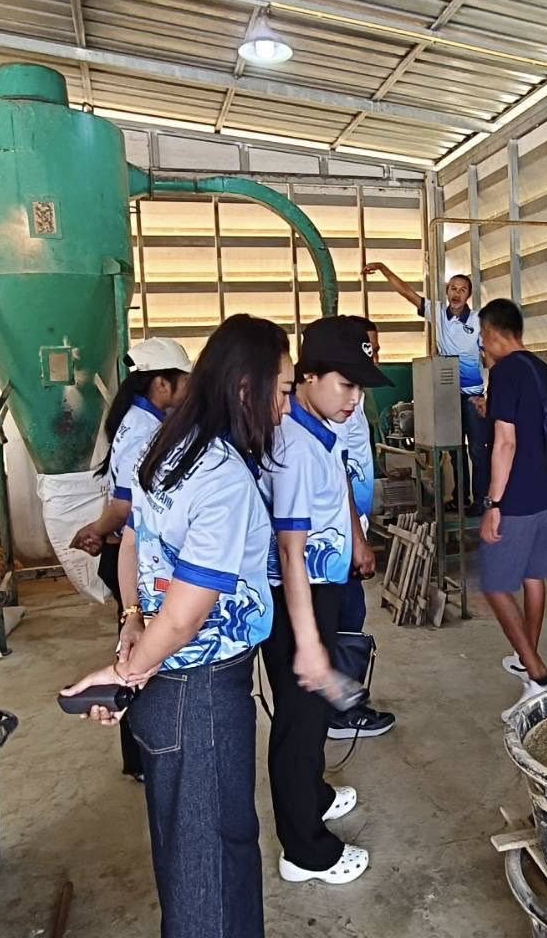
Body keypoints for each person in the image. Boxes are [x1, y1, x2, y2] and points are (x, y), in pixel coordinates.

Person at [61, 315, 310, 938]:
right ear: (247, 389)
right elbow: (187, 612)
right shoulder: (221, 475)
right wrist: (126, 670)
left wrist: (131, 625)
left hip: (167, 683)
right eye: (283, 391)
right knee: (212, 859)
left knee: (189, 850)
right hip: (200, 691)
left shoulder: (171, 445)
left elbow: (131, 542)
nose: (286, 408)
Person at [262, 315, 389, 886]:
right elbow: (290, 551)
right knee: (299, 721)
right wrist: (309, 641)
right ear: (307, 376)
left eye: (360, 386)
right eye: (346, 384)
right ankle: (305, 851)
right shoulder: (294, 446)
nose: (354, 398)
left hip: (323, 584)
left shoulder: (318, 432)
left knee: (312, 718)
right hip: (301, 595)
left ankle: (312, 793)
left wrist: (356, 542)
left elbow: (334, 500)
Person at [70, 338, 192, 782]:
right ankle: (141, 757)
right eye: (183, 381)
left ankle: (140, 755)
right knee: (139, 651)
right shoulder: (145, 430)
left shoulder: (138, 419)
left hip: (130, 550)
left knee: (137, 648)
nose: (190, 390)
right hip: (134, 556)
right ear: (162, 384)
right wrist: (98, 530)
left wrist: (99, 529)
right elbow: (126, 506)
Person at [473, 299, 547, 721]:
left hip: (516, 497)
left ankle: (539, 676)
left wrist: (493, 504)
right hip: (543, 490)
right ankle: (528, 659)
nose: (482, 347)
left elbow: (506, 442)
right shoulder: (539, 368)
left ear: (492, 333)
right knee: (532, 576)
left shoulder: (504, 371)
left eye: (482, 338)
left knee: (494, 584)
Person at [364, 262, 488, 513]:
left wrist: (489, 393)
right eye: (453, 288)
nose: (456, 293)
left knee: (478, 449)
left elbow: (490, 356)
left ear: (469, 295)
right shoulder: (438, 312)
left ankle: (481, 501)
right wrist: (384, 269)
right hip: (448, 394)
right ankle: (460, 499)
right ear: (447, 291)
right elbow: (407, 292)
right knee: (454, 450)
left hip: (473, 396)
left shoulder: (479, 320)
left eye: (462, 289)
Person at [326, 316, 396, 741]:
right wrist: (358, 539)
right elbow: (338, 478)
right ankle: (341, 712)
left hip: (349, 531)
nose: (375, 356)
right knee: (346, 618)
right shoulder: (335, 405)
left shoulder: (352, 396)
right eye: (368, 349)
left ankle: (340, 704)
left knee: (347, 616)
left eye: (376, 349)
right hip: (339, 537)